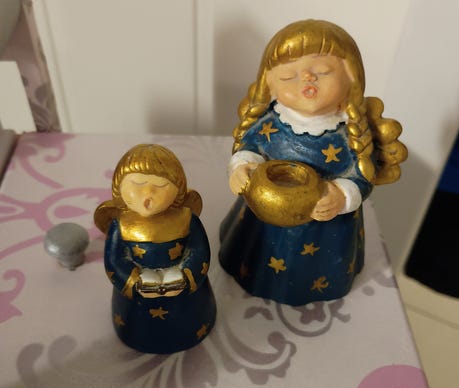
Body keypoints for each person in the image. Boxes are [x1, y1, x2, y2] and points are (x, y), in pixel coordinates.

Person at [219, 19, 406, 306]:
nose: (307, 78)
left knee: (312, 266)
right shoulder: (271, 124)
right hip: (263, 219)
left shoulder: (351, 135)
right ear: (269, 83)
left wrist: (341, 196)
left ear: (352, 78)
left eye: (323, 71)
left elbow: (361, 176)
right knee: (254, 254)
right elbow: (249, 147)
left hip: (324, 231)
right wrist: (241, 167)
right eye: (288, 76)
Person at [94, 144, 216, 353]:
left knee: (188, 318)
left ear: (178, 190)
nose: (148, 194)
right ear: (119, 187)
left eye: (161, 185)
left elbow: (200, 251)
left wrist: (187, 276)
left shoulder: (186, 219)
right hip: (137, 300)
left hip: (185, 296)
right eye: (138, 184)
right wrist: (133, 282)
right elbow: (114, 261)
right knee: (140, 324)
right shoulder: (121, 225)